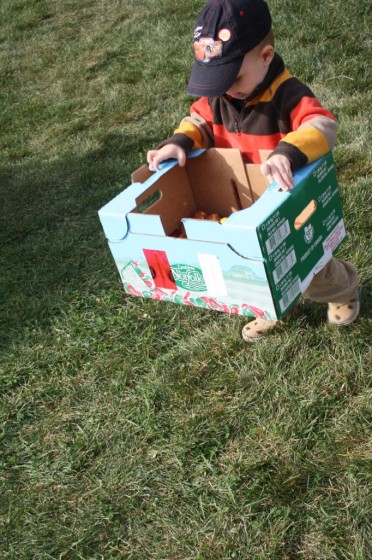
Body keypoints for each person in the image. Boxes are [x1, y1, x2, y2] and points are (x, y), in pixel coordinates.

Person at [147, 0, 359, 340]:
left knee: (311, 268)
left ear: (265, 57)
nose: (226, 88)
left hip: (289, 199)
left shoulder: (288, 94)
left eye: (234, 77)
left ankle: (342, 290)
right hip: (243, 205)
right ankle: (267, 306)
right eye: (216, 80)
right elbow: (198, 120)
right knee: (248, 269)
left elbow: (322, 124)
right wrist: (179, 141)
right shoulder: (219, 97)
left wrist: (288, 151)